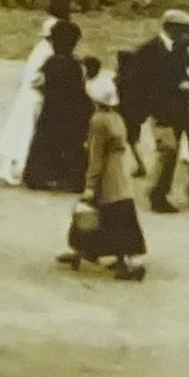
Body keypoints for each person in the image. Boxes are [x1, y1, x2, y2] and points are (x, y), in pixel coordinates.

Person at [60, 72, 146, 281]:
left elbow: (96, 156)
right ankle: (123, 258)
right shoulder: (117, 118)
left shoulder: (98, 121)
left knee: (92, 216)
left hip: (106, 178)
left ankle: (86, 252)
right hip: (120, 176)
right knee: (121, 218)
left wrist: (90, 184)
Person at [126, 10, 189, 214]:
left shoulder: (179, 48)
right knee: (168, 149)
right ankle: (156, 194)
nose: (187, 35)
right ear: (170, 28)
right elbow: (138, 82)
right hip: (160, 109)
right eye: (183, 30)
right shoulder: (149, 50)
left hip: (180, 107)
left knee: (186, 148)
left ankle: (172, 192)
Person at [23, 21, 92, 193]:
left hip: (53, 111)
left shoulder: (52, 63)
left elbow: (40, 84)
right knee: (71, 145)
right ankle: (71, 178)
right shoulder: (75, 65)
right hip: (71, 112)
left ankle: (42, 176)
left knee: (46, 143)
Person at [0, 12, 59, 185]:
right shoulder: (45, 52)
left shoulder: (43, 49)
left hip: (29, 95)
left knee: (20, 131)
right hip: (32, 95)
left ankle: (11, 167)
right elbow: (34, 77)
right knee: (23, 131)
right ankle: (11, 168)